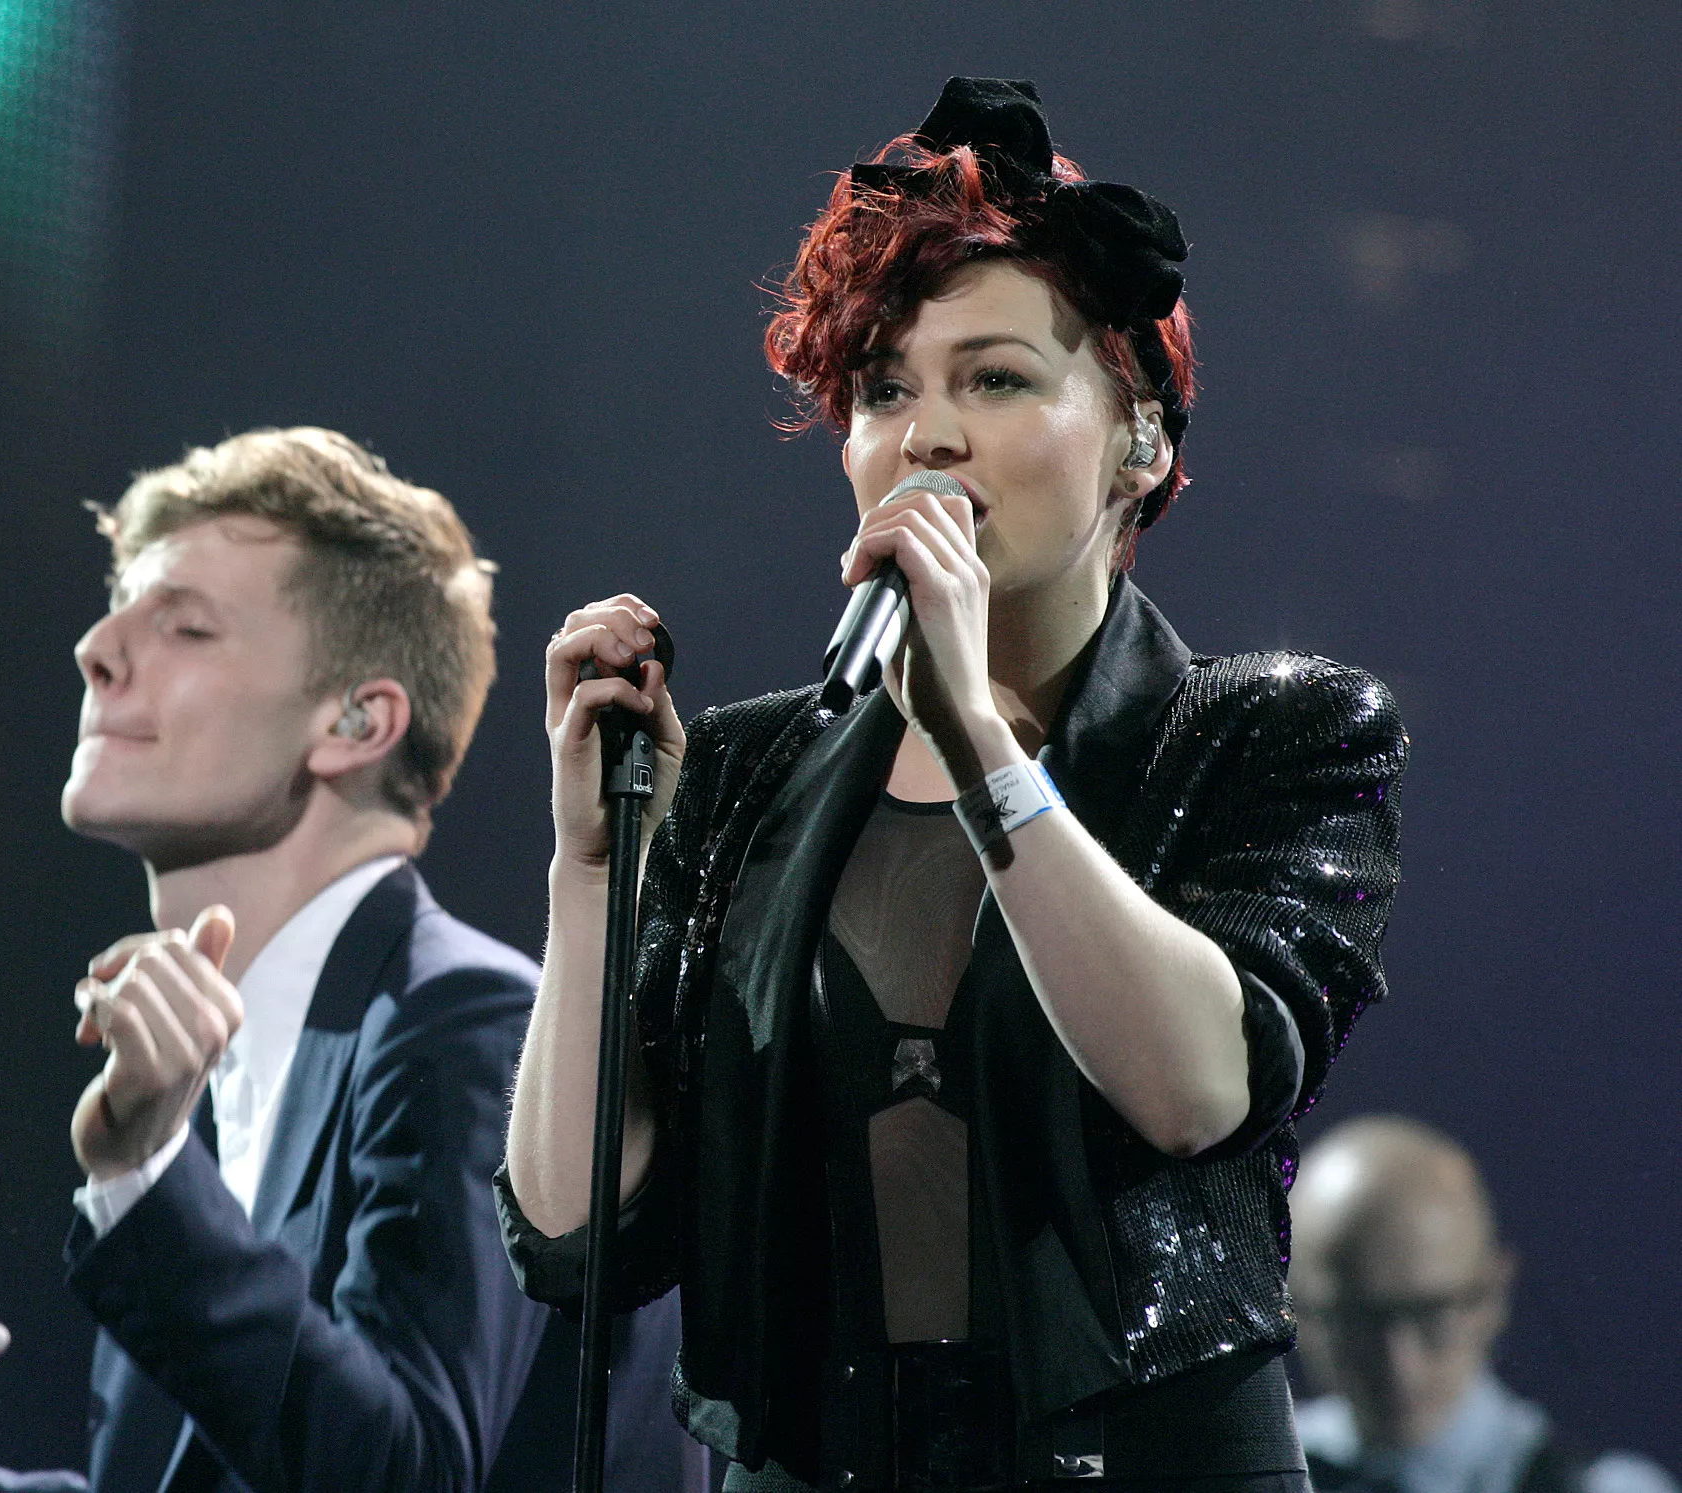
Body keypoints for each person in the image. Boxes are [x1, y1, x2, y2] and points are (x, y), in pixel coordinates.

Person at [498, 78, 1408, 1491]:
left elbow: (1193, 1090)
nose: (925, 435)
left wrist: (980, 743)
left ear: (1141, 437)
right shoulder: (744, 774)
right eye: (883, 389)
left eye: (995, 378)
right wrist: (593, 875)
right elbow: (577, 1236)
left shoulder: (1270, 733)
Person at [0, 429, 704, 1493]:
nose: (96, 648)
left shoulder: (472, 1028)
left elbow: (406, 1473)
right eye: (118, 608)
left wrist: (144, 1175)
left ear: (357, 719)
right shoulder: (215, 1077)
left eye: (186, 625)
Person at [1290, 1116, 1677, 1493]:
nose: (1399, 1365)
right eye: (1355, 1321)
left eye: (1432, 1314)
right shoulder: (1268, 1469)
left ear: (1494, 1292)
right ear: (1295, 1311)